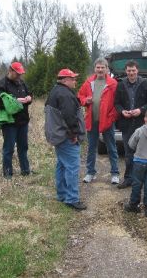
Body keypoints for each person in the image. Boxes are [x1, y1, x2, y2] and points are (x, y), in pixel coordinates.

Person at [44, 69, 87, 211]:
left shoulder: (56, 91)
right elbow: (69, 117)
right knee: (72, 167)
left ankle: (62, 194)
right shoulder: (65, 94)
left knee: (62, 165)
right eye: (73, 78)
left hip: (58, 135)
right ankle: (72, 199)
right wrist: (74, 134)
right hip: (66, 136)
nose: (75, 81)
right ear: (64, 80)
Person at [114, 60, 147, 189]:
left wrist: (141, 110)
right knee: (128, 153)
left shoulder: (145, 84)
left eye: (133, 70)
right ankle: (128, 179)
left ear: (137, 70)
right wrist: (122, 111)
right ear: (126, 71)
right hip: (127, 124)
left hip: (141, 124)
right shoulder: (120, 85)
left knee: (141, 153)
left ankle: (140, 179)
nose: (131, 73)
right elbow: (117, 103)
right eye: (128, 70)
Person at [78, 58, 120, 184]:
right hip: (92, 121)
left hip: (107, 122)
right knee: (91, 147)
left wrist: (111, 117)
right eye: (98, 67)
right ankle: (90, 173)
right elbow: (80, 96)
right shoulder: (88, 82)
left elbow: (117, 104)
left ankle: (115, 173)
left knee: (111, 147)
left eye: (103, 67)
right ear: (95, 69)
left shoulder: (113, 83)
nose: (100, 70)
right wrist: (86, 101)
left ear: (107, 69)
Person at [0, 62, 32, 179]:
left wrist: (29, 98)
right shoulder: (1, 85)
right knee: (9, 149)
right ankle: (7, 174)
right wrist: (14, 101)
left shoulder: (22, 83)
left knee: (23, 147)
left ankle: (25, 170)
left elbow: (29, 94)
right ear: (10, 70)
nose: (19, 76)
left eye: (21, 74)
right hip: (9, 122)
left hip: (23, 121)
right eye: (17, 73)